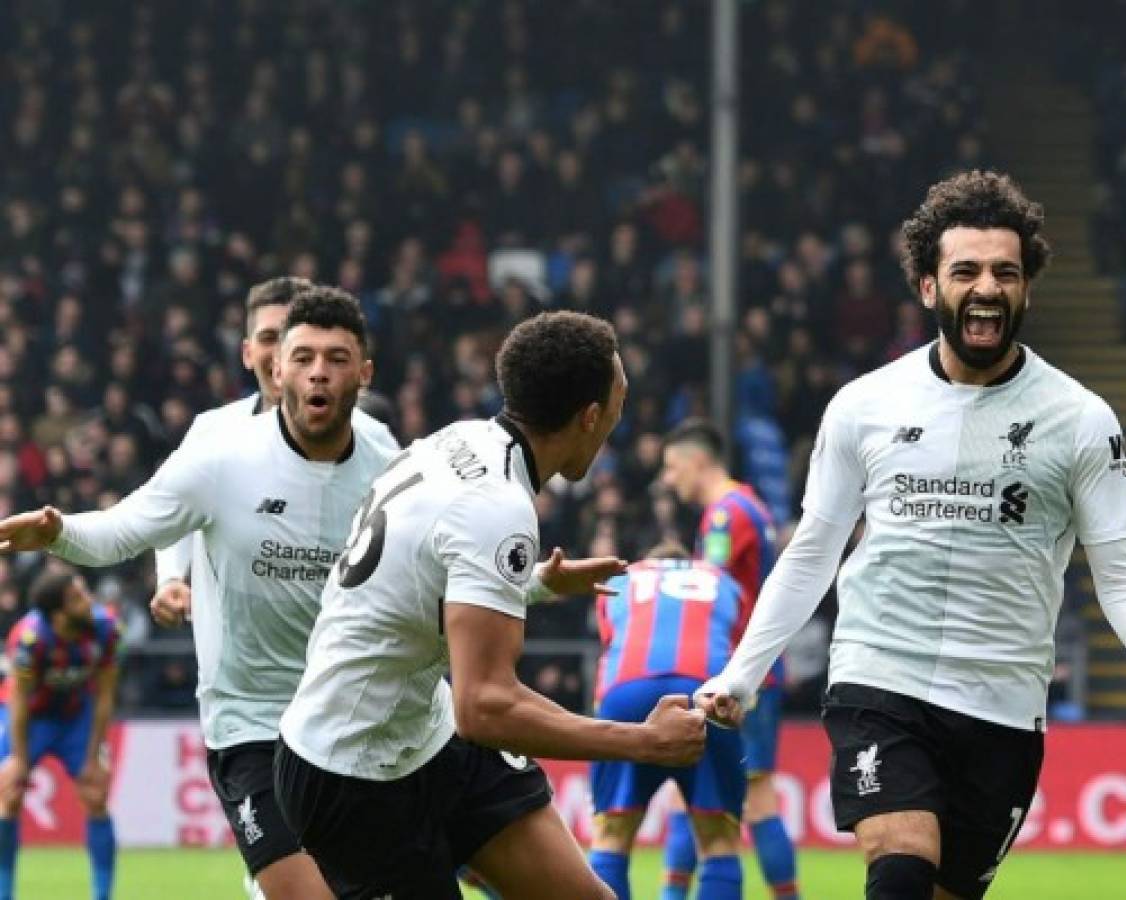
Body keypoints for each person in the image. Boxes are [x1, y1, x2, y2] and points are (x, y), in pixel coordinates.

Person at [695, 170, 1126, 900]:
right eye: (964, 271)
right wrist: (739, 675)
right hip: (880, 676)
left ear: (1026, 288)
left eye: (1004, 272)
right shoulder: (863, 406)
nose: (986, 287)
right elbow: (812, 551)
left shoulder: (1081, 419)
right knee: (899, 869)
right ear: (928, 287)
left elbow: (1118, 574)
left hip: (1001, 702)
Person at [274, 311, 707, 900]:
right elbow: (486, 707)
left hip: (428, 736)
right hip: (351, 774)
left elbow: (424, 571)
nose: (617, 422)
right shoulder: (497, 508)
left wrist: (535, 583)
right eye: (618, 404)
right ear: (589, 417)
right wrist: (641, 742)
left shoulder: (463, 439)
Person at [0, 287, 395, 900]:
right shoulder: (217, 446)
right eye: (290, 350)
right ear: (265, 359)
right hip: (251, 717)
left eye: (335, 358)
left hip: (349, 708)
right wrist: (66, 535)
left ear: (362, 373)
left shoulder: (381, 454)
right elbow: (142, 522)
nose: (313, 370)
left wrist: (528, 586)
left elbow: (424, 560)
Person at [151, 275, 397, 631]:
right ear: (249, 353)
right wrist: (172, 577)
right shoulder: (213, 432)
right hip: (240, 662)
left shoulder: (375, 439)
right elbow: (171, 510)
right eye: (269, 338)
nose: (279, 349)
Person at [661, 419, 798, 900]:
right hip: (747, 671)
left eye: (673, 467)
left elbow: (710, 588)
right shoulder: (747, 507)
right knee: (692, 790)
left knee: (752, 798)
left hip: (741, 676)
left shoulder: (727, 514)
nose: (668, 479)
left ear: (699, 462)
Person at [589, 543, 747, 900]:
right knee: (719, 839)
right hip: (705, 688)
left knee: (612, 834)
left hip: (627, 688)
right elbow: (737, 654)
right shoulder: (722, 580)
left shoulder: (622, 578)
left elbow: (610, 647)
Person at [0, 568, 120, 900]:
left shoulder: (105, 628)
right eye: (78, 598)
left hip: (75, 715)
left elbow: (106, 693)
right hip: (32, 719)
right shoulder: (29, 640)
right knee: (8, 795)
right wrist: (19, 759)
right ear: (58, 615)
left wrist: (94, 754)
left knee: (95, 794)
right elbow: (19, 700)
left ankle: (102, 896)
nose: (88, 601)